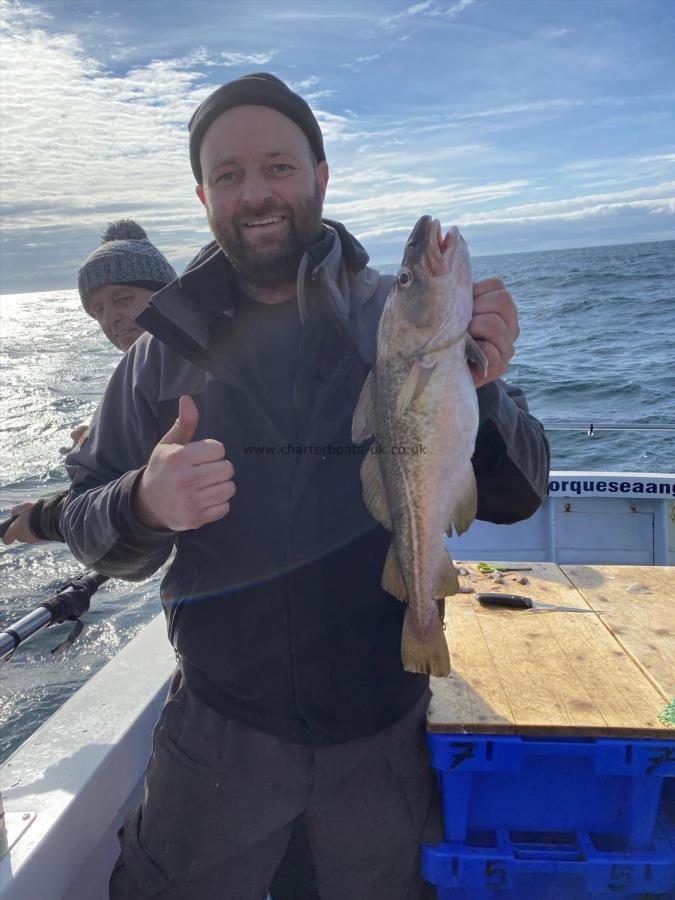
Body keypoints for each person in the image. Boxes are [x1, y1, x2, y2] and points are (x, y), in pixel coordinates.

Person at [61, 73, 550, 900]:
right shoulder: (160, 350)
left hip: (380, 732)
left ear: (321, 175)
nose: (255, 194)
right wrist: (142, 502)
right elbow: (84, 518)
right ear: (202, 195)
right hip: (217, 735)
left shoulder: (392, 316)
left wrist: (485, 387)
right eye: (228, 175)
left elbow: (518, 493)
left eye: (278, 167)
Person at [2, 220, 178, 546]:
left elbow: (145, 496)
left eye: (123, 299)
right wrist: (110, 440)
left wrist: (43, 520)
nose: (109, 318)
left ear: (166, 292)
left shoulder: (184, 369)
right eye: (97, 310)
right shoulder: (146, 381)